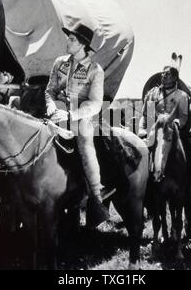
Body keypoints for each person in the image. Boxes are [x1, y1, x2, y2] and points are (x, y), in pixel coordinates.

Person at [45, 23, 113, 228]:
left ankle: (96, 195)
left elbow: (95, 103)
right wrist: (51, 108)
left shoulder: (95, 70)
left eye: (72, 39)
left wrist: (72, 114)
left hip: (82, 115)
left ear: (82, 44)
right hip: (57, 112)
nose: (68, 41)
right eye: (69, 38)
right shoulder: (59, 63)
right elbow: (50, 90)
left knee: (84, 141)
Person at [138, 66, 191, 211]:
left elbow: (183, 117)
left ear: (175, 78)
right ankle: (141, 194)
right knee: (137, 156)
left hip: (176, 133)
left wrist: (175, 124)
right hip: (154, 133)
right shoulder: (152, 94)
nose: (163, 76)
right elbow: (147, 117)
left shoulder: (181, 96)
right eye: (163, 73)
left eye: (167, 74)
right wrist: (142, 131)